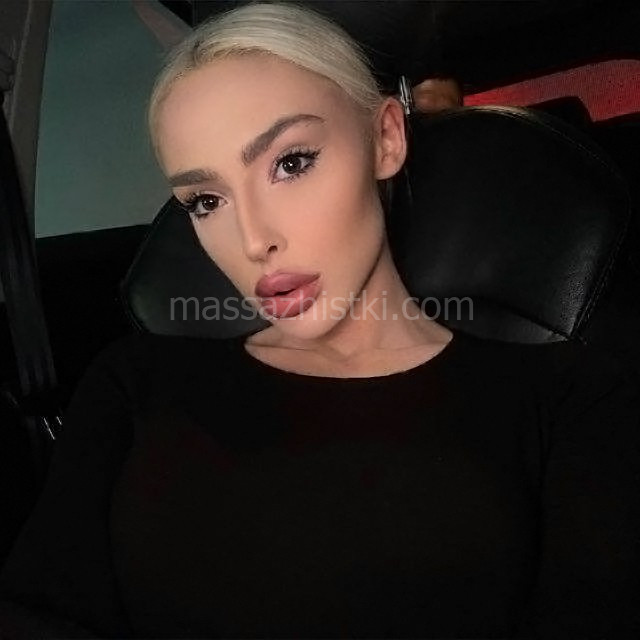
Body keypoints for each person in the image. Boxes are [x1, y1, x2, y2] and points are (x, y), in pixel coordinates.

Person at [1, 2, 639, 638]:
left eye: (291, 163)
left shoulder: (567, 399)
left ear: (385, 138)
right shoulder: (133, 384)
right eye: (205, 200)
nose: (254, 240)